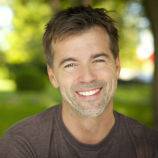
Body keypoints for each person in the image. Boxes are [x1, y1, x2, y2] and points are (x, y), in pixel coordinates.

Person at [0, 5, 158, 158]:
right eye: (70, 65)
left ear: (116, 66)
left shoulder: (150, 146)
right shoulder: (21, 146)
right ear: (53, 76)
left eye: (98, 60)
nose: (87, 77)